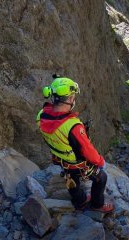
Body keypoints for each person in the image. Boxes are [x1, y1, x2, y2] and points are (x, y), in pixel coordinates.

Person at [36, 76, 114, 213]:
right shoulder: (73, 126)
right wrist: (100, 162)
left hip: (61, 158)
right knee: (101, 178)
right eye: (73, 96)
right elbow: (87, 150)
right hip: (77, 163)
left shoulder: (41, 115)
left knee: (71, 179)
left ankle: (80, 202)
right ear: (71, 99)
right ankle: (97, 204)